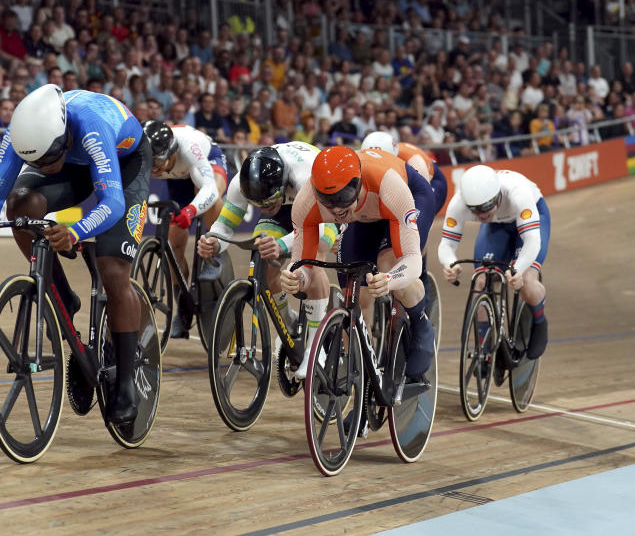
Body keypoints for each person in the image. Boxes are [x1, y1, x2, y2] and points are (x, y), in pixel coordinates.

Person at [0, 84, 151, 425]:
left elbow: (114, 203)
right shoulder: (22, 135)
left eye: (47, 160)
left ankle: (125, 382)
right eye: (37, 162)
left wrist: (75, 231)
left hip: (123, 161)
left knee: (113, 271)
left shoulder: (91, 125)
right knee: (20, 205)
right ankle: (62, 299)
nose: (44, 167)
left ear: (62, 138)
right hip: (72, 160)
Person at [280, 146, 437, 383]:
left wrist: (390, 279)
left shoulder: (390, 186)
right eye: (327, 201)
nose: (336, 209)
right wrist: (297, 276)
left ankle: (419, 320)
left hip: (407, 198)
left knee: (387, 262)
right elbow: (305, 264)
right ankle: (367, 384)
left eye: (342, 199)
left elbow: (412, 260)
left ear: (358, 184)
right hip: (363, 214)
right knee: (355, 296)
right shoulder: (306, 201)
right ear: (314, 190)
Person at [197, 143, 338, 377]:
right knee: (265, 267)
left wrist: (282, 245)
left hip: (320, 208)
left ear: (282, 184)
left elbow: (315, 227)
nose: (265, 208)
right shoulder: (242, 185)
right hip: (287, 208)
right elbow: (224, 226)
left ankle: (316, 349)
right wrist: (213, 242)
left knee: (314, 255)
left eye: (270, 201)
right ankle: (289, 322)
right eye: (259, 205)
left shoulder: (304, 175)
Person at [438, 165, 550, 360]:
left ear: (497, 196)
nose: (481, 214)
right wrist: (450, 263)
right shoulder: (459, 202)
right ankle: (485, 350)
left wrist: (518, 269)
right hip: (497, 225)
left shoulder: (518, 192)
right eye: (476, 210)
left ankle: (539, 320)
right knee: (481, 282)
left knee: (526, 281)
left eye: (486, 207)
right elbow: (446, 244)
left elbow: (532, 241)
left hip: (531, 216)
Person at [142, 119, 229, 339]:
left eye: (158, 161)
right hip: (177, 178)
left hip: (207, 161)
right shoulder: (146, 156)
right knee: (172, 247)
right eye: (149, 162)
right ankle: (183, 308)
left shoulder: (188, 147)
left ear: (171, 151)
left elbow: (209, 189)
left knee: (213, 200)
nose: (154, 168)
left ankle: (215, 248)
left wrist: (191, 211)